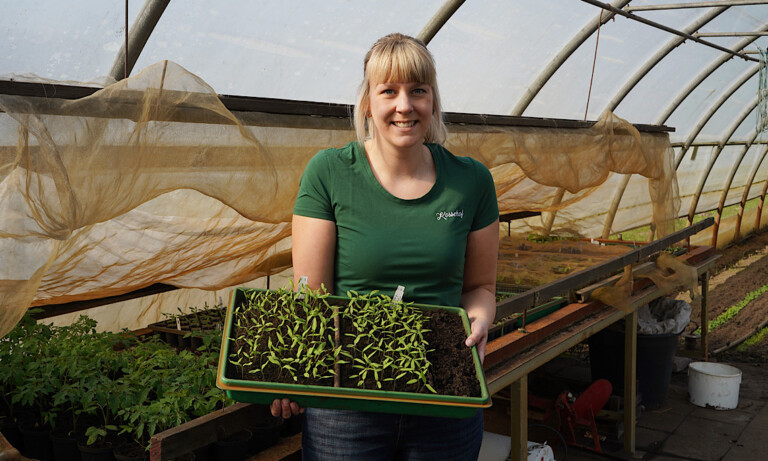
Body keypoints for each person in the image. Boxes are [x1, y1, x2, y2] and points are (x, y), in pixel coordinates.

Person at [273, 32, 499, 460]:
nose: (404, 105)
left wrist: (480, 320)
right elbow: (312, 294)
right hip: (348, 405)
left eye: (418, 91)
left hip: (443, 397)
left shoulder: (471, 181)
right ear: (368, 102)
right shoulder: (329, 173)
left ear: (432, 100)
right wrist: (294, 370)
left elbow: (481, 287)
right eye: (389, 91)